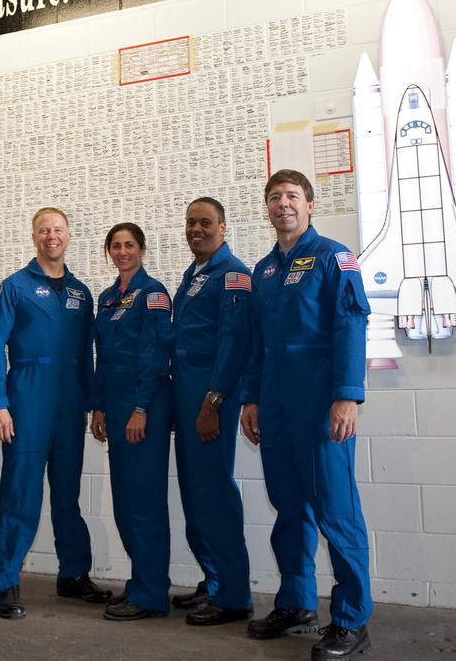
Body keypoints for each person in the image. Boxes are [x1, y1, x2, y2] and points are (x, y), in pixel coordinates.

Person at [240, 169, 373, 659]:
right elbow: (257, 343)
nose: (283, 204)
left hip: (320, 406)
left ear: (310, 205)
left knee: (337, 512)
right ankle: (296, 603)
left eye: (292, 196)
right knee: (289, 510)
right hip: (275, 406)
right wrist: (251, 398)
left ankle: (352, 619)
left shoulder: (333, 257)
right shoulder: (264, 271)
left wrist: (347, 395)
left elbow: (351, 323)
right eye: (274, 197)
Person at [0, 207, 112, 618]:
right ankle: (6, 580)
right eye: (43, 230)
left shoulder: (80, 293)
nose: (51, 236)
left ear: (68, 236)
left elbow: (87, 355)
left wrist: (94, 405)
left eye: (57, 229)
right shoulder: (15, 288)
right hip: (26, 403)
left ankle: (73, 574)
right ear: (34, 237)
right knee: (20, 494)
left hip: (70, 405)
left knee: (67, 497)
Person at [170, 197, 254, 626]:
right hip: (187, 399)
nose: (195, 229)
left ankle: (234, 595)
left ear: (223, 227)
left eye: (204, 222)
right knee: (195, 493)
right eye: (190, 223)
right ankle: (213, 579)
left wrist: (213, 402)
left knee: (216, 496)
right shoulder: (195, 275)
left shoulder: (233, 275)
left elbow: (233, 342)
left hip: (210, 401)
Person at [89, 223, 175, 622]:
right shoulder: (108, 298)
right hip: (117, 404)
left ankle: (152, 593)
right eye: (116, 246)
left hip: (146, 406)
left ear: (141, 249)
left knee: (145, 501)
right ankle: (142, 580)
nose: (122, 251)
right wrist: (100, 407)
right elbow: (103, 358)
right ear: (109, 251)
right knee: (125, 499)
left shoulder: (153, 293)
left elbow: (156, 355)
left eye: (129, 245)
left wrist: (140, 407)